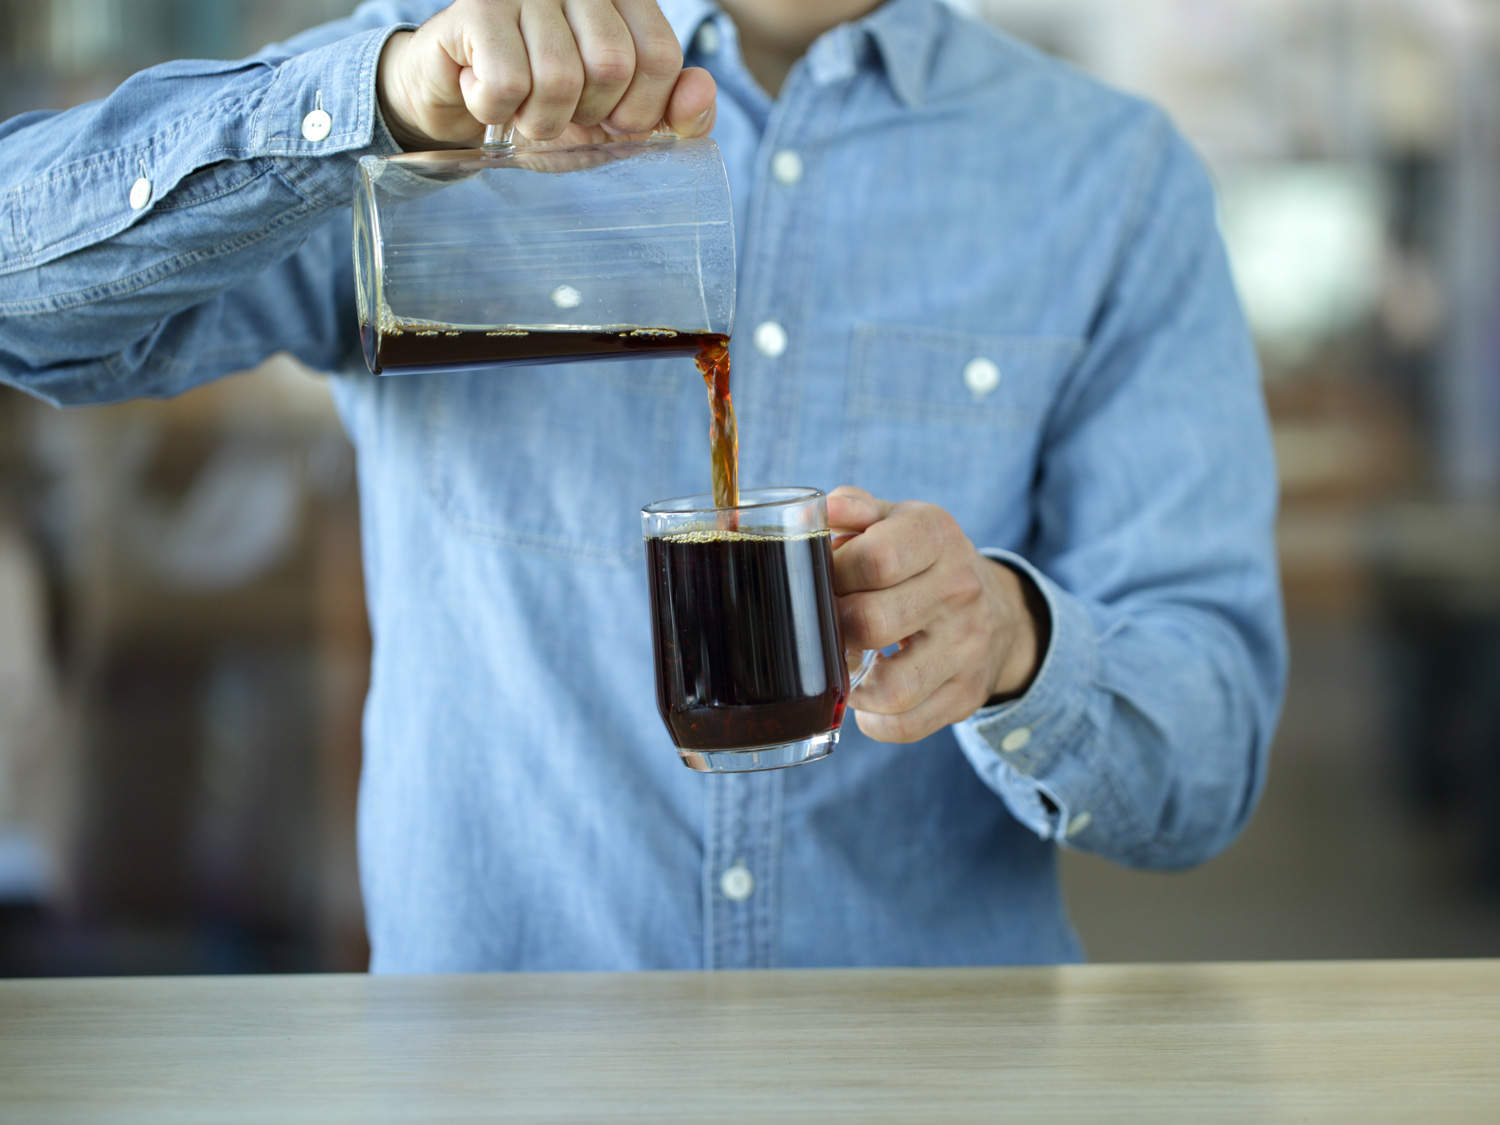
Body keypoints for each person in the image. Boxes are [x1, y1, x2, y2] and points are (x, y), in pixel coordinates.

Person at [0, 0, 1286, 971]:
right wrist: (373, 99)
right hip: (494, 1083)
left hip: (931, 1084)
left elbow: (1208, 757)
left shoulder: (1111, 177)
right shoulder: (441, 79)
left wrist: (1014, 640)